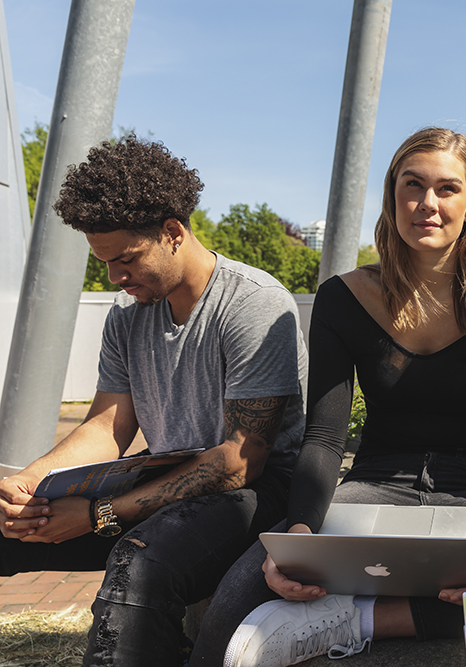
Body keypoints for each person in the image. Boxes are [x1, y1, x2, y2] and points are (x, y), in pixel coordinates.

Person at [191, 127, 466, 666]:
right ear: (392, 194)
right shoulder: (344, 298)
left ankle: (361, 618)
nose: (427, 204)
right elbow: (323, 439)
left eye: (447, 188)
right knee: (245, 587)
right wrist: (302, 534)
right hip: (377, 489)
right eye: (413, 185)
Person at [0, 136, 308, 667]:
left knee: (139, 564)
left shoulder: (253, 303)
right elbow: (107, 425)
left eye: (125, 259)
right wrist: (30, 484)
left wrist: (96, 515)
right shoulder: (127, 317)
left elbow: (241, 460)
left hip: (259, 493)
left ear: (172, 233)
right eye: (104, 263)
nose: (115, 278)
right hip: (163, 478)